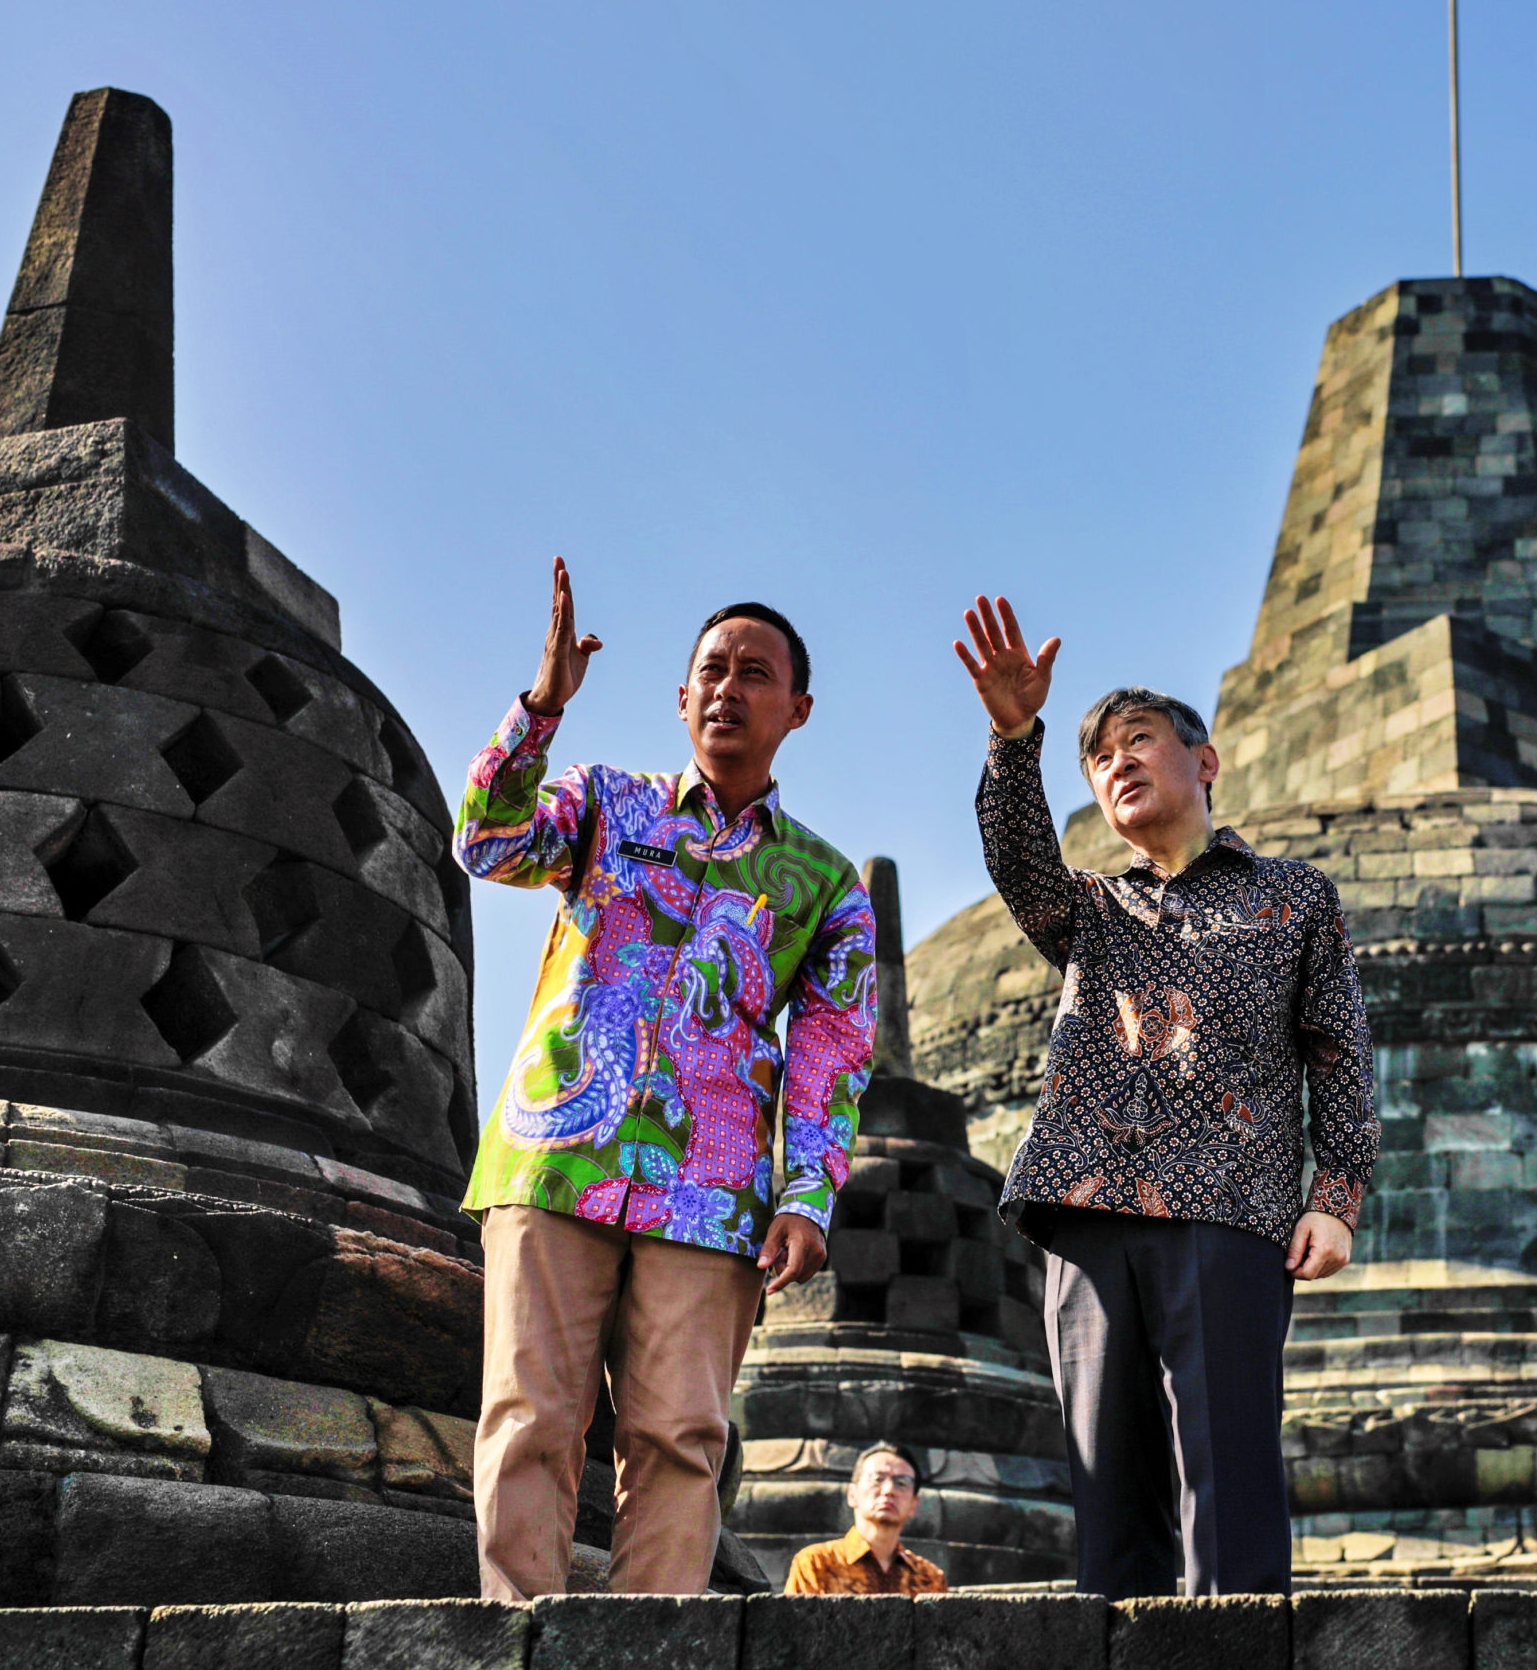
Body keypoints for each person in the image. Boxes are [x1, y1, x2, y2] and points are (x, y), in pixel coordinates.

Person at [456, 558, 875, 1599]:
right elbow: (486, 842)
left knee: (681, 1438)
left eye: (754, 673)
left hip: (712, 1184)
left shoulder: (825, 883)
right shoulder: (605, 803)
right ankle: (517, 1642)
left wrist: (807, 1195)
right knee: (529, 1416)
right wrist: (540, 708)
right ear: (682, 696)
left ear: (798, 708)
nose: (728, 688)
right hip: (556, 1153)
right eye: (711, 670)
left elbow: (831, 1048)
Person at [951, 594, 1380, 1599]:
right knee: (1109, 1497)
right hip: (1091, 1209)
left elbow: (1339, 1047)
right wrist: (1015, 737)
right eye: (1100, 758)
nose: (1118, 764)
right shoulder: (1093, 908)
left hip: (1230, 1209)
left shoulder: (1292, 896)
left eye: (1139, 741)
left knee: (1225, 1483)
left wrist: (1338, 1196)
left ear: (1206, 762)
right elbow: (1017, 865)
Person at [781, 1444, 952, 1595]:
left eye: (902, 1483)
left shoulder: (930, 1579)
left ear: (914, 1504)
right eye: (877, 1479)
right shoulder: (816, 1565)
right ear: (852, 1494)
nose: (888, 1490)